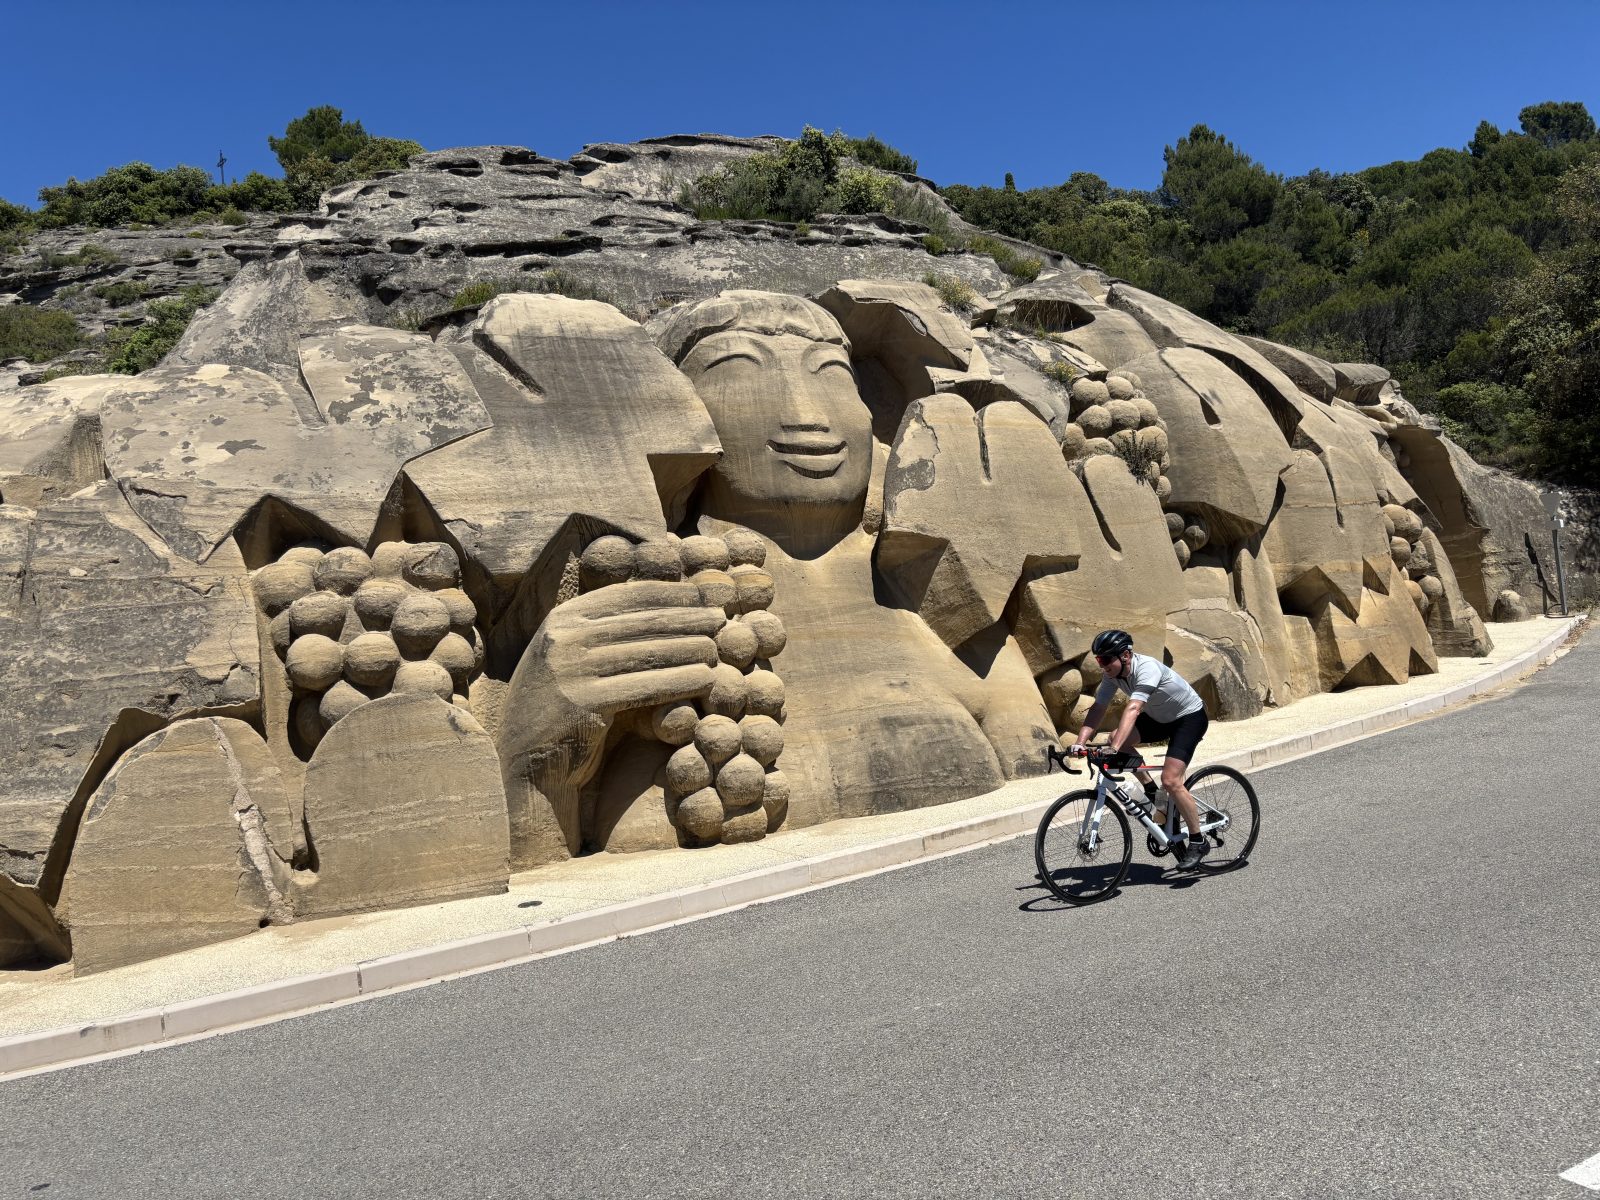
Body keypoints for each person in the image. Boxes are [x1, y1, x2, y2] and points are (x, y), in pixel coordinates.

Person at [1070, 628, 1212, 868]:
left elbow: (1134, 709)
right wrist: (1079, 742)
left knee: (1171, 780)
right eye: (1098, 660)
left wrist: (1114, 748)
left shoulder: (1147, 668)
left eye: (1106, 659)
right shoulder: (1112, 676)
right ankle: (1152, 793)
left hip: (1188, 717)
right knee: (1116, 737)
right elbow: (1098, 708)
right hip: (1160, 718)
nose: (1102, 665)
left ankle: (1198, 841)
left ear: (1125, 656)